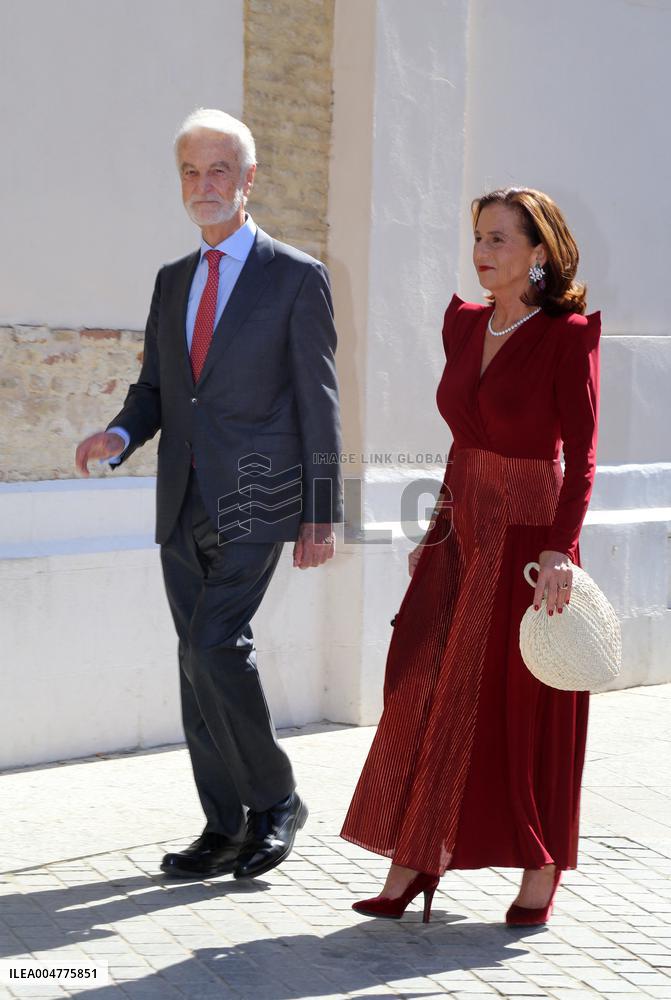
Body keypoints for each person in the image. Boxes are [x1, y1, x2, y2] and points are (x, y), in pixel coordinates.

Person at [75, 108, 342, 880]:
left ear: (249, 178)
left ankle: (276, 799)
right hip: (181, 497)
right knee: (194, 661)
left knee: (212, 643)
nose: (204, 185)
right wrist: (119, 435)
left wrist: (320, 510)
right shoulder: (172, 281)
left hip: (260, 495)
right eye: (191, 172)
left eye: (219, 169)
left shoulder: (296, 277)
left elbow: (317, 400)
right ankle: (223, 824)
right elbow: (157, 389)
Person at [341, 187, 600, 926]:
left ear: (538, 252)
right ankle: (414, 856)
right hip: (462, 530)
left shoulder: (568, 334)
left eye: (497, 240)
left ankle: (540, 866)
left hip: (528, 540)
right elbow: (462, 441)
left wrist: (558, 550)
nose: (481, 253)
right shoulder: (462, 324)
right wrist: (437, 529)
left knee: (523, 708)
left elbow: (580, 458)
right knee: (423, 685)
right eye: (478, 238)